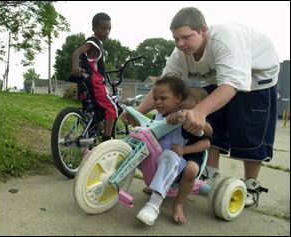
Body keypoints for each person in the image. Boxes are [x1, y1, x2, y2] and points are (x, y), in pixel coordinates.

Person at [123, 7, 280, 207]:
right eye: (175, 38)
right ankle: (209, 172)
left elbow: (231, 84)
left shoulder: (226, 40)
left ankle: (251, 184)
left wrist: (199, 110)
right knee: (210, 124)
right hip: (217, 76)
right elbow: (163, 84)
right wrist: (138, 111)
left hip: (258, 78)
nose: (180, 44)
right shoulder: (180, 52)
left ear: (203, 30)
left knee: (248, 130)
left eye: (186, 37)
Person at [136, 76, 212, 225]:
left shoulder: (186, 116)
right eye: (155, 98)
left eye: (163, 98)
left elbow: (206, 137)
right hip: (160, 156)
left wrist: (184, 118)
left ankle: (174, 204)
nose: (157, 102)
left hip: (181, 158)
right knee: (139, 147)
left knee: (182, 164)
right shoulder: (159, 114)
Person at [71, 12, 117, 141]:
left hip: (86, 84)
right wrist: (75, 66)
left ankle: (89, 142)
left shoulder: (97, 44)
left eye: (109, 29)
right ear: (94, 28)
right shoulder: (94, 42)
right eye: (103, 28)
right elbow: (76, 53)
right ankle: (107, 139)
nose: (107, 31)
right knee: (112, 108)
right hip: (95, 84)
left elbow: (92, 64)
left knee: (93, 115)